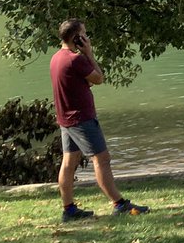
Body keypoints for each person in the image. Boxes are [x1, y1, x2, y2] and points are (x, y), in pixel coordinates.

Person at [50, 18, 148, 221]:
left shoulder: (56, 58)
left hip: (66, 119)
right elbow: (98, 78)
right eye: (84, 34)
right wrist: (89, 54)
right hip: (81, 119)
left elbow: (84, 81)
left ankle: (69, 210)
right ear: (76, 37)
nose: (87, 38)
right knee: (101, 159)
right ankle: (119, 204)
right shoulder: (75, 59)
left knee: (69, 162)